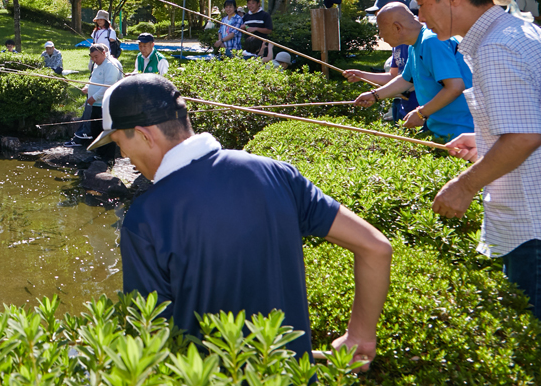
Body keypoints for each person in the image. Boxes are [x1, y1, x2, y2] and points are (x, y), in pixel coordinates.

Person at [87, 74, 391, 366]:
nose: (124, 155)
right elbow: (375, 248)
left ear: (143, 135)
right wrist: (360, 336)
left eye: (119, 143)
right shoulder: (277, 173)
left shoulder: (145, 217)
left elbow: (148, 341)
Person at [388, 0, 541, 318]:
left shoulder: (496, 46)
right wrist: (483, 137)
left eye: (423, 4)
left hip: (532, 223)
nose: (420, 17)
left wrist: (464, 186)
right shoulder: (514, 32)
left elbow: (524, 136)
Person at [349, 2, 474, 141]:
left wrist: (421, 113)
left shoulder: (431, 41)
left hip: (463, 131)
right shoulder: (414, 45)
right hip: (444, 130)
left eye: (381, 29)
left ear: (397, 27)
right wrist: (375, 95)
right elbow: (405, 79)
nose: (380, 35)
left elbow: (455, 87)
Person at [349, 0, 420, 122]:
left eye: (382, 21)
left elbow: (452, 86)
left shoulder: (420, 42)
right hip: (407, 106)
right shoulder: (397, 42)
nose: (380, 33)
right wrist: (363, 78)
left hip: (419, 105)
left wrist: (423, 113)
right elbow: (400, 78)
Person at [65, 44, 123, 150]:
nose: (94, 59)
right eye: (92, 57)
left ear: (103, 53)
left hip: (106, 104)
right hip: (96, 104)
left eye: (96, 56)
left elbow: (109, 85)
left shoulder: (110, 65)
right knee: (95, 129)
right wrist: (87, 87)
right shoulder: (97, 63)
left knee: (104, 130)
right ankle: (98, 154)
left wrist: (94, 97)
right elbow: (93, 79)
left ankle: (106, 158)